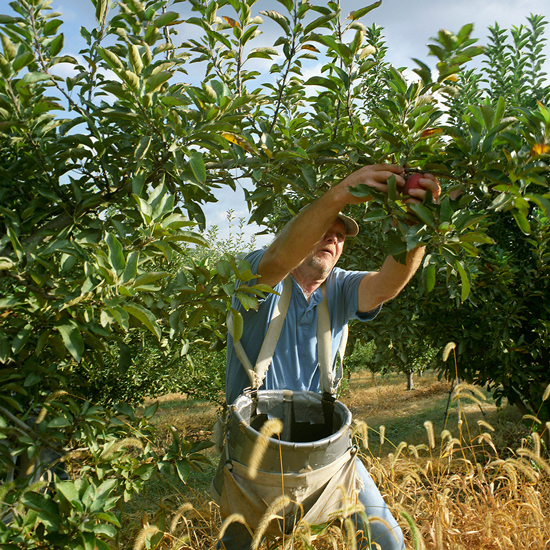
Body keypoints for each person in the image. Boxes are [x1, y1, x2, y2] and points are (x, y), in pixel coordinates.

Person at [221, 163, 441, 550]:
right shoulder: (256, 275)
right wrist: (341, 193)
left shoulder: (340, 288)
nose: (332, 239)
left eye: (340, 236)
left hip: (323, 448)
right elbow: (278, 257)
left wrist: (419, 225)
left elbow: (386, 285)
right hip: (255, 451)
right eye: (324, 229)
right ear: (299, 234)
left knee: (386, 540)